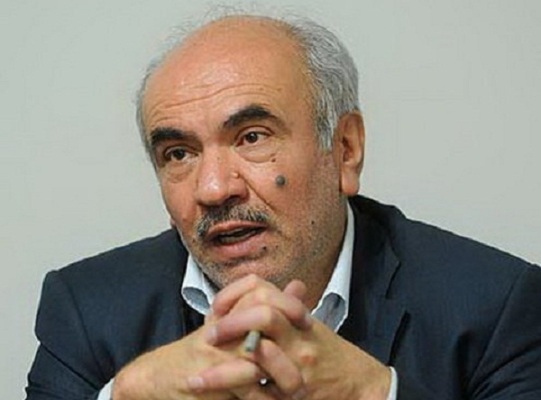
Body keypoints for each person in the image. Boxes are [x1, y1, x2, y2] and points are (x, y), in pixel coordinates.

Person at [25, 11, 541, 400]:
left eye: (252, 137)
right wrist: (124, 395)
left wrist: (374, 393)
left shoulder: (494, 307)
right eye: (179, 153)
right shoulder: (88, 310)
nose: (213, 188)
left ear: (345, 150)